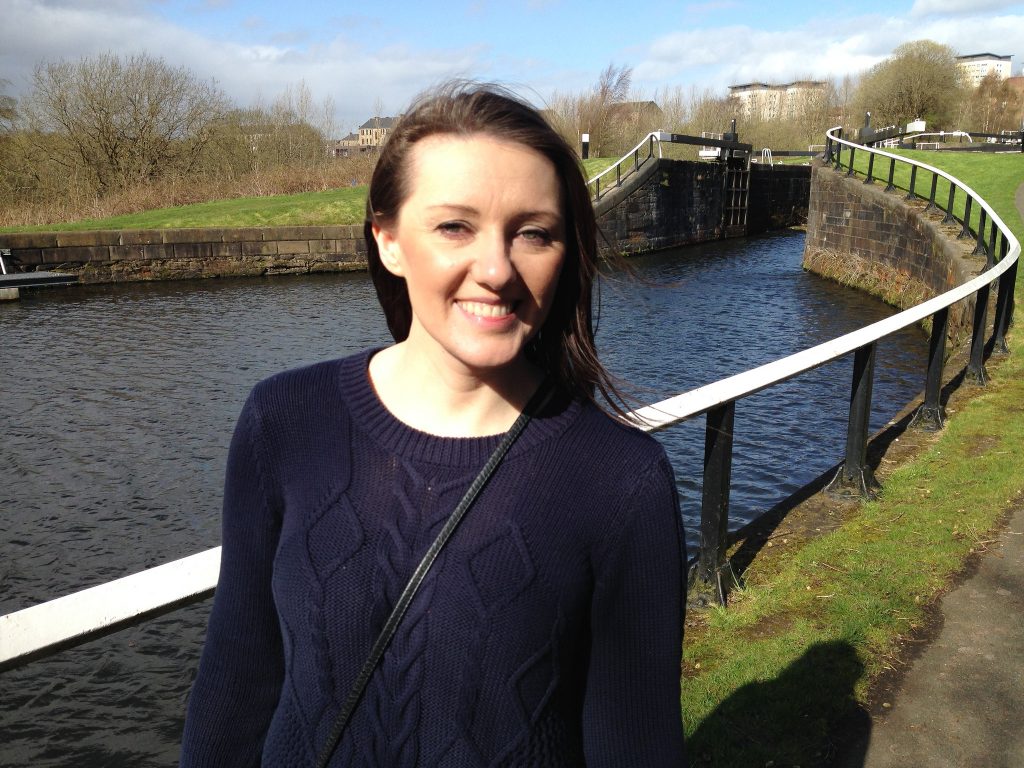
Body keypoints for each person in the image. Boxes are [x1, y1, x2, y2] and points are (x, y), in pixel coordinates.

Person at [180, 82, 686, 767]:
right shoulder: (285, 422)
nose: (497, 269)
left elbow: (636, 743)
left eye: (533, 232)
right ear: (388, 240)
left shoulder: (622, 481)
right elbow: (238, 676)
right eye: (455, 227)